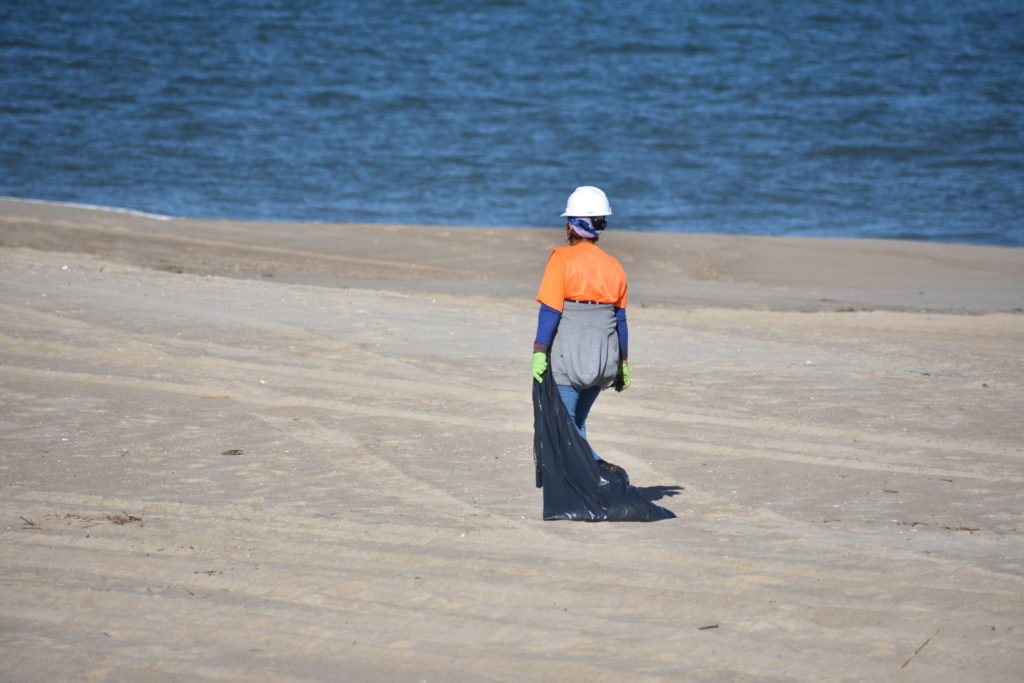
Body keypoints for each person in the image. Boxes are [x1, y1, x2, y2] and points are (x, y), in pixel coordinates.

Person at [531, 186, 630, 462]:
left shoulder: (561, 259)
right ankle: (587, 482)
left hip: (571, 359)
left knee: (568, 430)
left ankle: (601, 477)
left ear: (571, 225)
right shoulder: (615, 266)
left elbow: (551, 310)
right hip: (604, 361)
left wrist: (539, 351)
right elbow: (620, 320)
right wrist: (622, 364)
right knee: (577, 423)